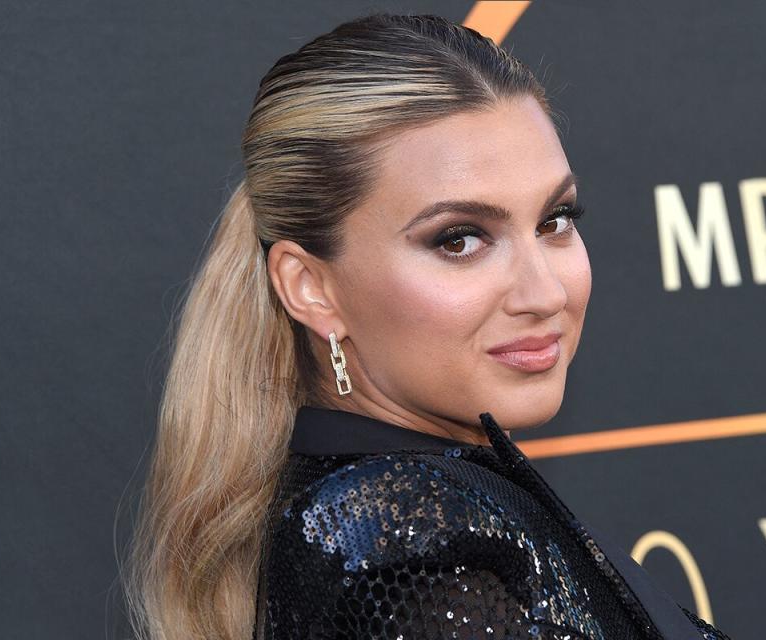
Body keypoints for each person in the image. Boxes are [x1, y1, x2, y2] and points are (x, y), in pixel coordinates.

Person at [124, 11, 732, 640]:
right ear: (311, 288)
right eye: (460, 239)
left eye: (555, 220)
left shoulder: (389, 518)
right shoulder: (418, 553)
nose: (544, 293)